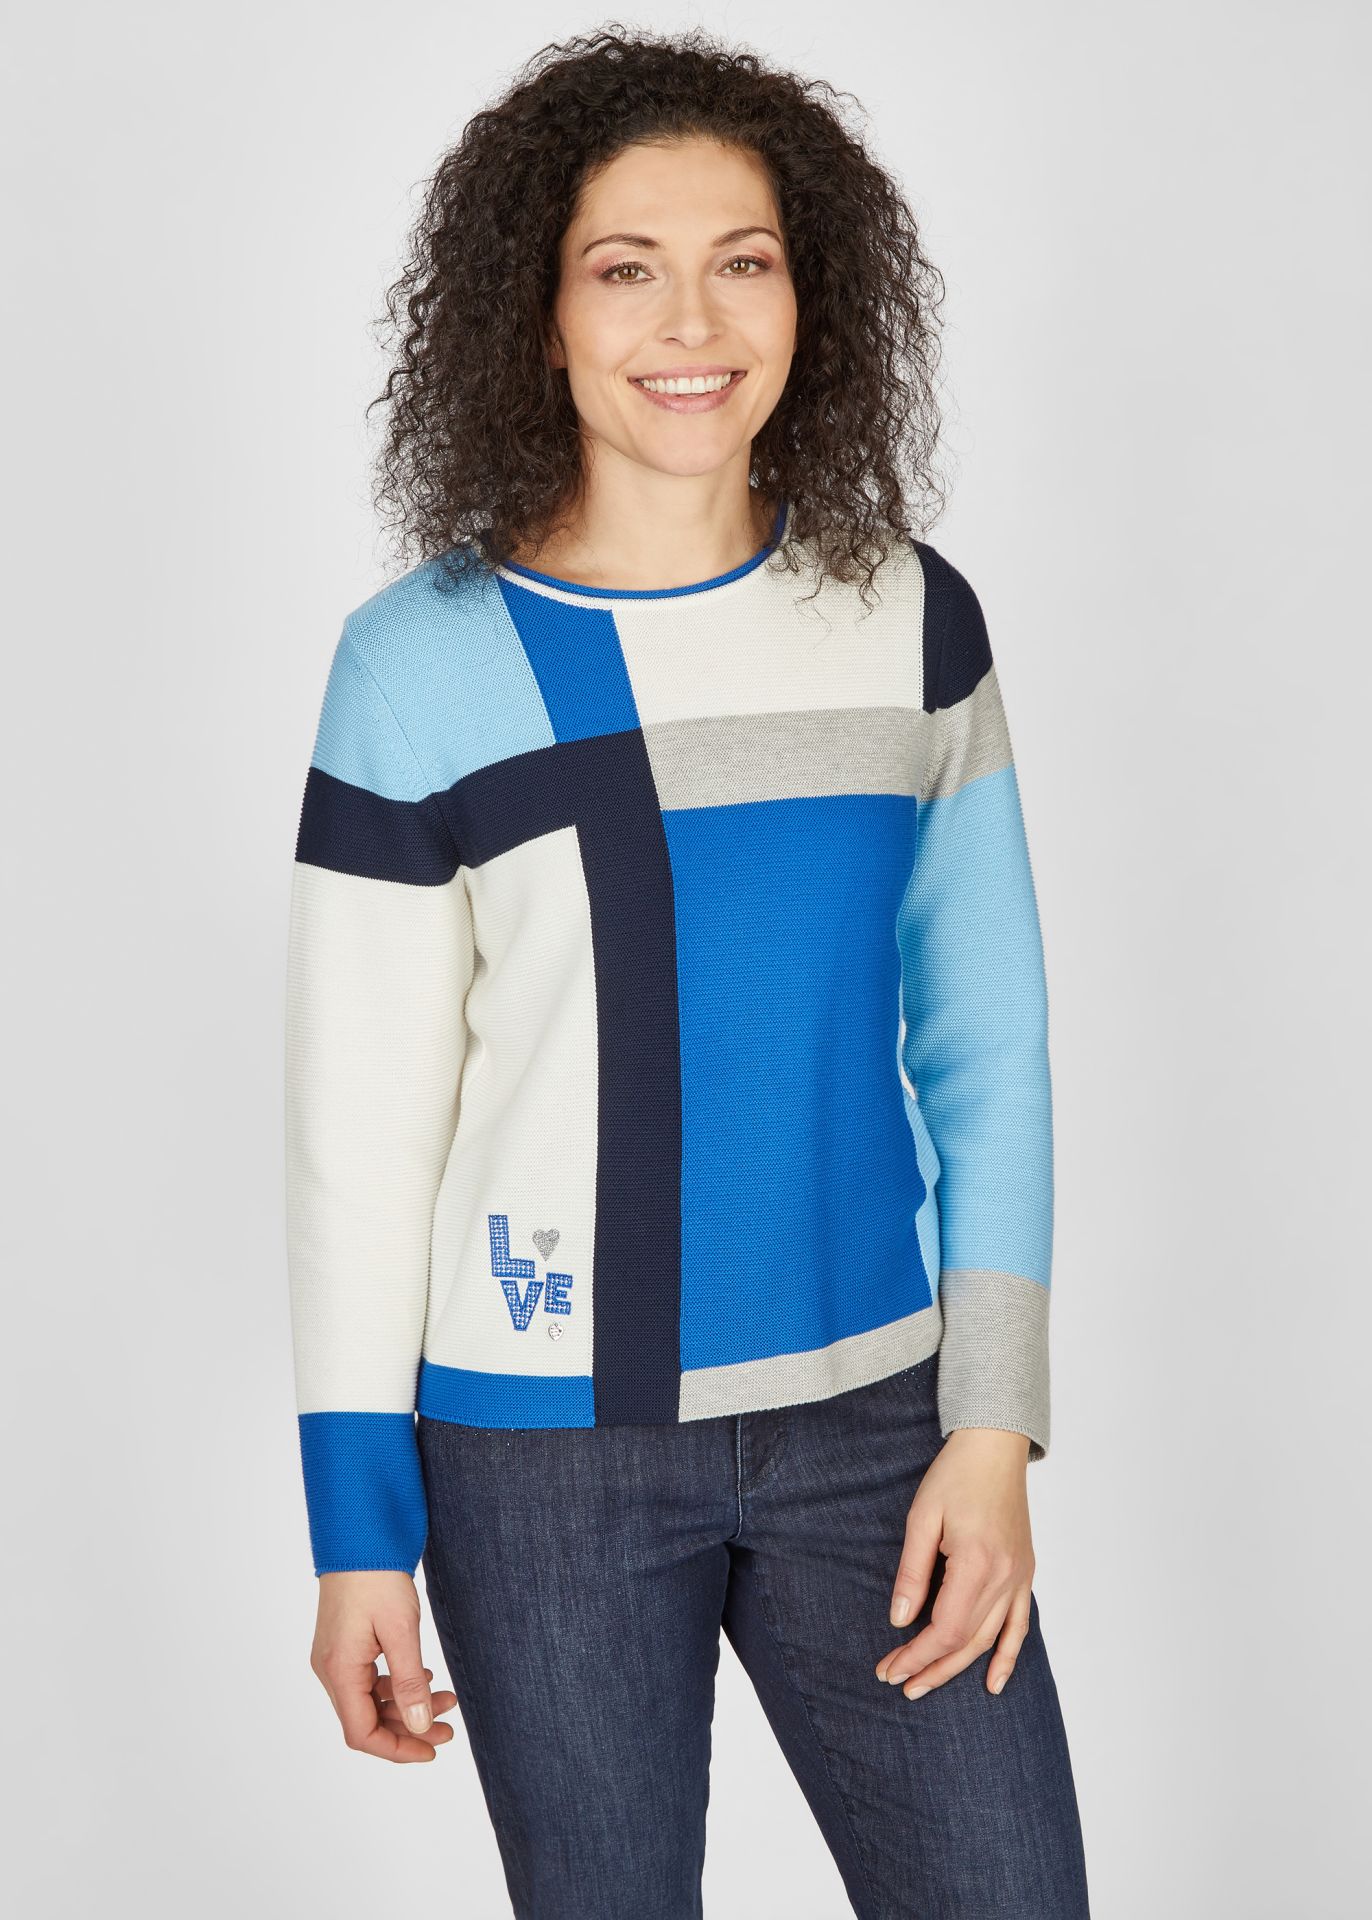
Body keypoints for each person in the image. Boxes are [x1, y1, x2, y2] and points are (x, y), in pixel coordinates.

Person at [284, 24, 1091, 1918]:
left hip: (881, 1432)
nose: (691, 322)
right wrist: (356, 1535)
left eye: (744, 260)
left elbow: (991, 1045)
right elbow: (358, 1134)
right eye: (624, 268)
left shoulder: (911, 615)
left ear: (815, 295)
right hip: (543, 1457)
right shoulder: (419, 662)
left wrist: (992, 1425)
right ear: (539, 316)